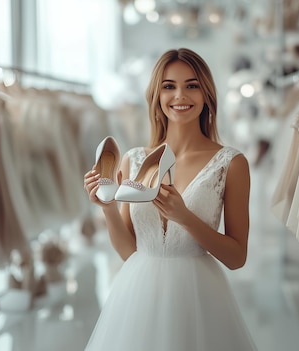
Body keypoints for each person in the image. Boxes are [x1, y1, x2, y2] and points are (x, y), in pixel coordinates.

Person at [83, 48, 257, 351]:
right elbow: (129, 252)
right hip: (137, 298)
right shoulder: (133, 160)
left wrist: (185, 217)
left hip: (199, 301)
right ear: (156, 96)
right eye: (169, 86)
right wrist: (109, 209)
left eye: (191, 85)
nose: (180, 96)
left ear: (206, 94)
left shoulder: (231, 163)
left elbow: (237, 257)